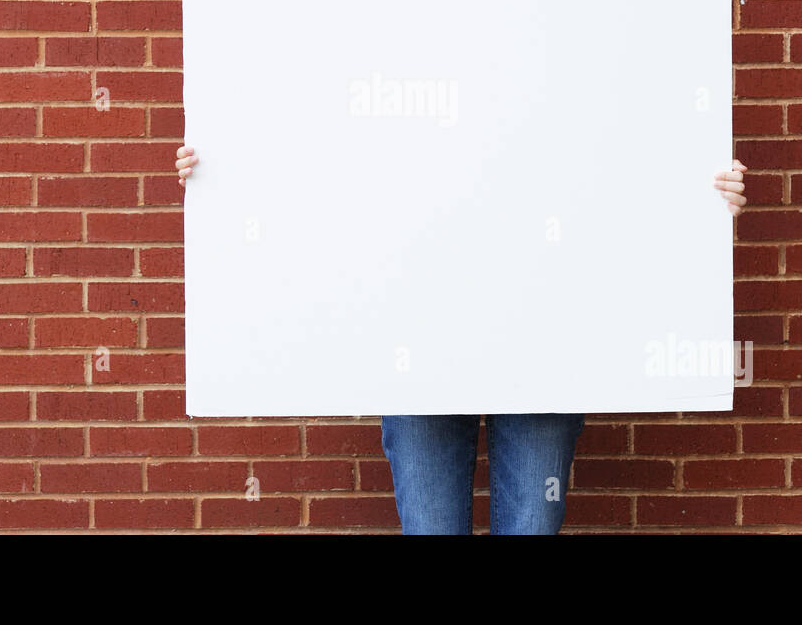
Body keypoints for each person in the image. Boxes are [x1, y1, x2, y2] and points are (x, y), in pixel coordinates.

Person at [175, 145, 748, 534]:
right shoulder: (386, 48)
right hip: (421, 344)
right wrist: (226, 173)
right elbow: (317, 158)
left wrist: (700, 195)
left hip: (544, 340)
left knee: (531, 527)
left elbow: (621, 147)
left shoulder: (564, 27)